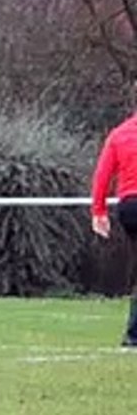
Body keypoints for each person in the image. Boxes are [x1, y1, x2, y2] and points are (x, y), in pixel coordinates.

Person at [89, 109, 137, 347]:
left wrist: (98, 211)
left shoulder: (120, 134)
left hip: (129, 207)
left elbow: (102, 174)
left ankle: (134, 335)